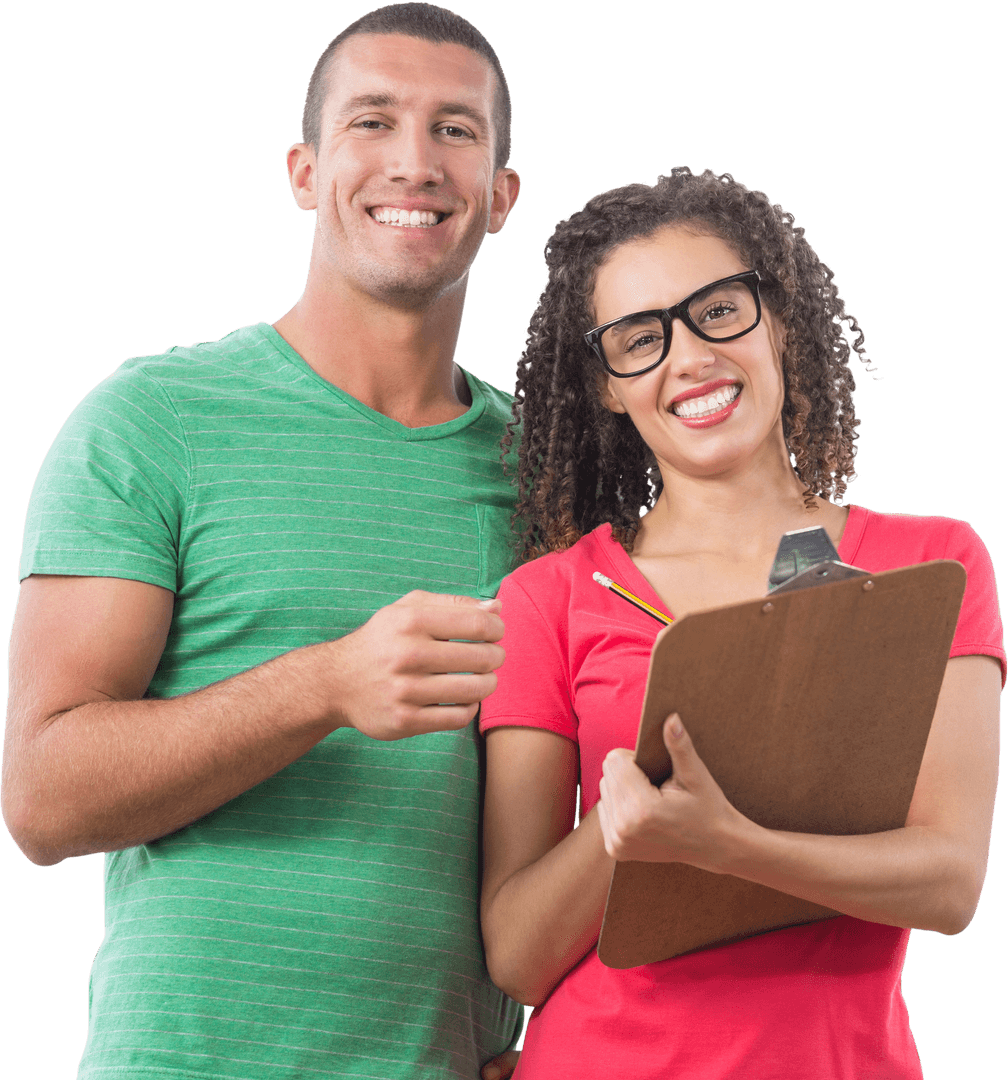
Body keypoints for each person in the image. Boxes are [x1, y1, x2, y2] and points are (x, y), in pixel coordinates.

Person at [2, 4, 525, 1078]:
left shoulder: (550, 476)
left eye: (457, 131)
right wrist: (325, 685)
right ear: (304, 171)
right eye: (373, 121)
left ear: (501, 196)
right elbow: (42, 800)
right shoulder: (155, 418)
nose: (415, 162)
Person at [479, 167, 1004, 1079]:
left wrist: (732, 846)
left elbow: (949, 882)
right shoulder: (549, 600)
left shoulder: (932, 562)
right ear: (606, 385)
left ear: (780, 319)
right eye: (639, 338)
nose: (688, 357)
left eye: (718, 310)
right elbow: (517, 955)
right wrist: (625, 822)